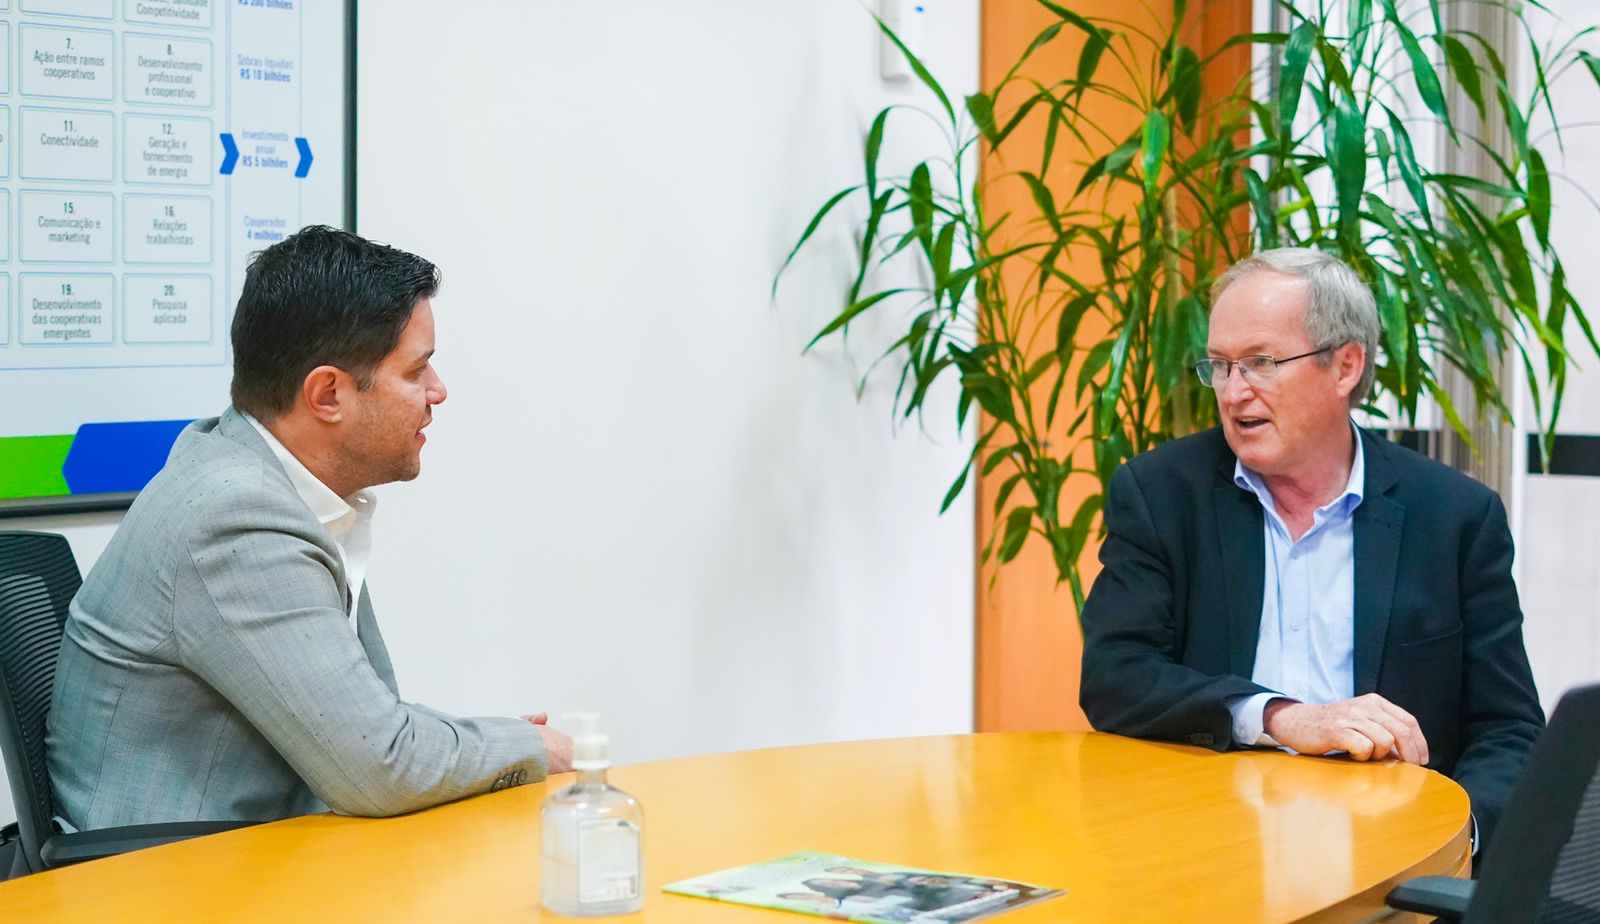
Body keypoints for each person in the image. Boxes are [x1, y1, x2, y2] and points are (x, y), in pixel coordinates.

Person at [46, 226, 573, 830]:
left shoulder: (257, 477)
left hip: (247, 848)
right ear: (327, 394)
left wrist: (492, 746)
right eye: (416, 370)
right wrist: (531, 749)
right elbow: (380, 766)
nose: (438, 391)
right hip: (166, 871)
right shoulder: (235, 522)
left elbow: (371, 721)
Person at [1078, 247, 1544, 851]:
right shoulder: (1162, 494)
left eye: (1260, 363)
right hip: (1211, 847)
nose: (1233, 392)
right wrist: (1279, 717)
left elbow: (1507, 727)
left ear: (1345, 366)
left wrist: (1451, 845)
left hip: (1390, 852)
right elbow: (1115, 676)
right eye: (1220, 366)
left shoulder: (1454, 517)